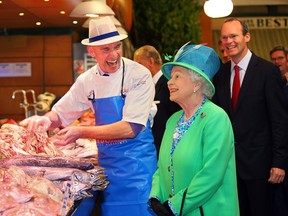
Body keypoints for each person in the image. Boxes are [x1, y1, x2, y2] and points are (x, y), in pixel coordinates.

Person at [20, 16, 157, 216]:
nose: (114, 55)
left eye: (116, 47)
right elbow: (61, 112)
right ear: (91, 51)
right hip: (107, 167)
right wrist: (46, 120)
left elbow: (130, 128)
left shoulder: (139, 75)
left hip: (138, 167)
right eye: (105, 49)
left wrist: (81, 131)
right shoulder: (87, 80)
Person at [149, 42, 239, 216]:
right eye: (171, 77)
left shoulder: (216, 118)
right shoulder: (173, 120)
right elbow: (163, 166)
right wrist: (155, 195)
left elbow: (212, 175)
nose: (169, 82)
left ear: (197, 83)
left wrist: (173, 206)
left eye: (177, 76)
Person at [213, 18, 288, 216]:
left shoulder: (267, 71)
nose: (229, 41)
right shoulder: (219, 75)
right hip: (229, 167)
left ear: (247, 36)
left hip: (261, 167)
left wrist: (279, 162)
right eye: (225, 37)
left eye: (234, 36)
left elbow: (279, 121)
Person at [133, 45, 181, 157]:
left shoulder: (167, 83)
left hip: (166, 146)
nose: (136, 69)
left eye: (139, 64)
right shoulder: (148, 84)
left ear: (151, 61)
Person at [269, 45, 288, 216]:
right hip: (278, 154)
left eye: (280, 58)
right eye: (273, 59)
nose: (277, 62)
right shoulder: (271, 81)